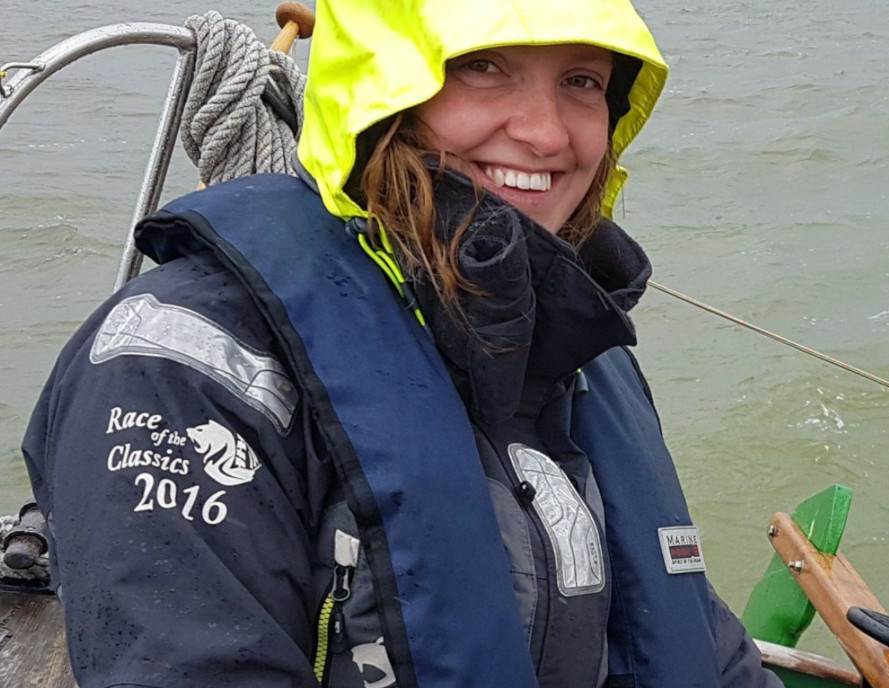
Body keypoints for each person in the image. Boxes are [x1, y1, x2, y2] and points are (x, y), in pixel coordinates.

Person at [22, 0, 785, 687]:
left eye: (582, 82)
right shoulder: (182, 364)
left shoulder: (591, 357)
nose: (547, 133)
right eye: (483, 68)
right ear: (380, 91)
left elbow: (703, 646)